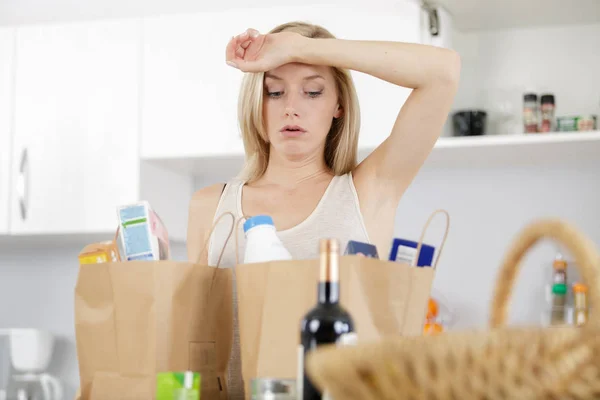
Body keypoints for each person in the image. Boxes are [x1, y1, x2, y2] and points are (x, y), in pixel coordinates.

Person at [187, 21, 460, 400]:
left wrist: (303, 49)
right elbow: (195, 351)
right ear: (256, 102)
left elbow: (443, 73)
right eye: (275, 91)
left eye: (313, 91)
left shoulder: (367, 192)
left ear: (338, 106)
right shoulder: (211, 208)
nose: (291, 108)